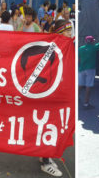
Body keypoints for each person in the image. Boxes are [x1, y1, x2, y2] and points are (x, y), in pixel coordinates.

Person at [38, 19, 74, 177]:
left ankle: (44, 156)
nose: (70, 33)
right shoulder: (52, 47)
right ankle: (45, 161)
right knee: (48, 126)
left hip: (59, 93)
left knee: (51, 126)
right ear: (60, 32)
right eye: (66, 31)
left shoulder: (67, 47)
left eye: (70, 30)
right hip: (49, 95)